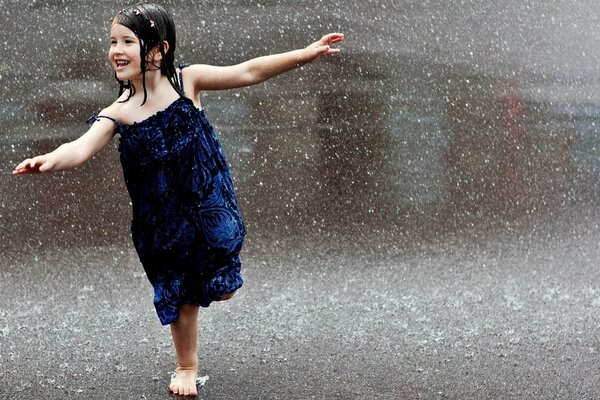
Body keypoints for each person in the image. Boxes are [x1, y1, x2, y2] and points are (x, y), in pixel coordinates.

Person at [13, 2, 343, 397]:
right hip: (161, 219)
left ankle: (214, 282)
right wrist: (51, 159)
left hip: (208, 203)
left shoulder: (188, 82)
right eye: (112, 42)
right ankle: (186, 365)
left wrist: (305, 54)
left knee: (222, 282)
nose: (116, 50)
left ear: (158, 50)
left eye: (127, 42)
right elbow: (81, 148)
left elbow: (249, 70)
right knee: (179, 290)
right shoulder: (118, 113)